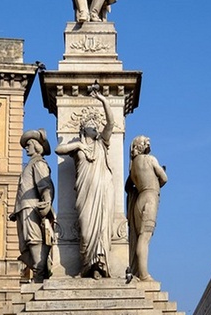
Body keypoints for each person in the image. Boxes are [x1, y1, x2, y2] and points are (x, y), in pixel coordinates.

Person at [55, 86, 115, 278]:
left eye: (96, 126)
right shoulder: (78, 148)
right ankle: (86, 265)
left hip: (103, 189)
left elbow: (111, 123)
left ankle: (99, 266)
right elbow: (59, 150)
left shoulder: (102, 143)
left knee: (101, 229)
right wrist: (78, 144)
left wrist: (104, 101)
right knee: (87, 230)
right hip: (85, 192)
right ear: (83, 129)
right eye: (91, 126)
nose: (95, 128)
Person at [9, 129, 55, 283]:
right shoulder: (31, 164)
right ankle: (39, 271)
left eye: (28, 144)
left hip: (32, 207)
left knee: (33, 239)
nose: (26, 147)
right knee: (26, 245)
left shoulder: (39, 163)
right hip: (23, 209)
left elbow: (45, 184)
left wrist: (47, 202)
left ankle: (39, 273)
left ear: (36, 145)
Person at [125, 136, 168, 281]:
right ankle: (143, 275)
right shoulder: (150, 159)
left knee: (140, 237)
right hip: (150, 197)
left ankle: (139, 271)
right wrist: (155, 181)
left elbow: (128, 187)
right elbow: (164, 178)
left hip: (139, 200)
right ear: (140, 146)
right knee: (145, 238)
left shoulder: (132, 168)